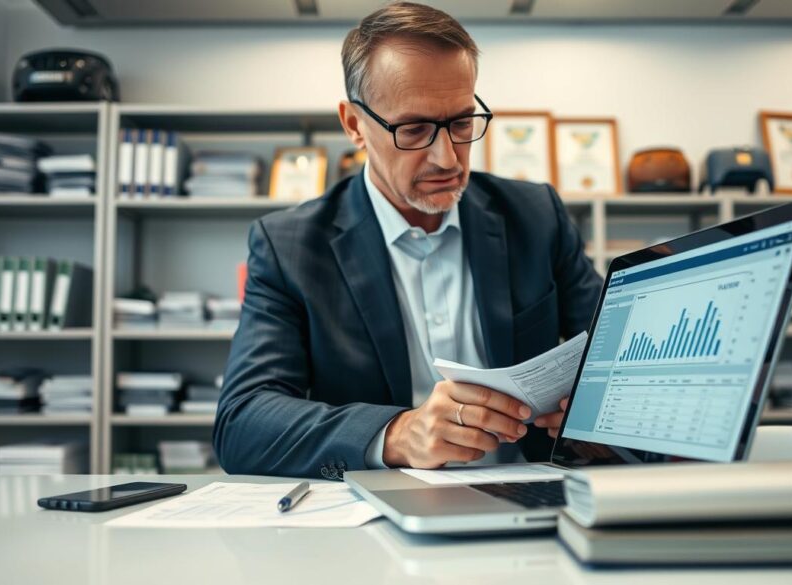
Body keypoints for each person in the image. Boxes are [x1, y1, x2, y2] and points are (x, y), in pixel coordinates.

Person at [214, 1, 602, 479]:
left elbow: (616, 358)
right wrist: (399, 433)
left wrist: (591, 409)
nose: (447, 158)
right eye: (414, 129)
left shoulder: (536, 216)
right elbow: (243, 422)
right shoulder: (289, 246)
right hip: (375, 523)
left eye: (461, 123)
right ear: (354, 124)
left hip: (533, 499)